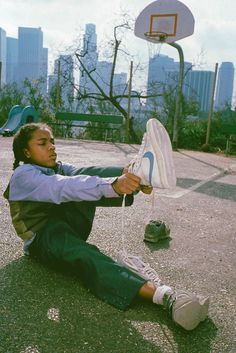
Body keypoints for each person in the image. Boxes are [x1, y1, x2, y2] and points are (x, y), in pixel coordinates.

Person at [3, 119, 209, 331]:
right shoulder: (23, 175)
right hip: (42, 238)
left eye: (52, 142)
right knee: (88, 254)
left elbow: (85, 174)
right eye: (43, 143)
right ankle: (164, 296)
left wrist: (129, 180)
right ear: (26, 152)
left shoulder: (58, 167)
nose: (52, 146)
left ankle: (138, 171)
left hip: (65, 223)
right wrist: (115, 186)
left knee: (86, 174)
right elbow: (62, 187)